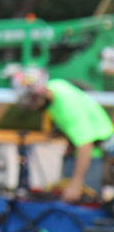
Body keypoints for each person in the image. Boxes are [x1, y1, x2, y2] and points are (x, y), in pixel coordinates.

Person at [12, 67, 114, 202]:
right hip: (82, 148)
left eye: (33, 101)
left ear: (40, 94)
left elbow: (86, 145)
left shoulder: (68, 108)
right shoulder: (56, 86)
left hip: (97, 152)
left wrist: (76, 184)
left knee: (85, 201)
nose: (33, 106)